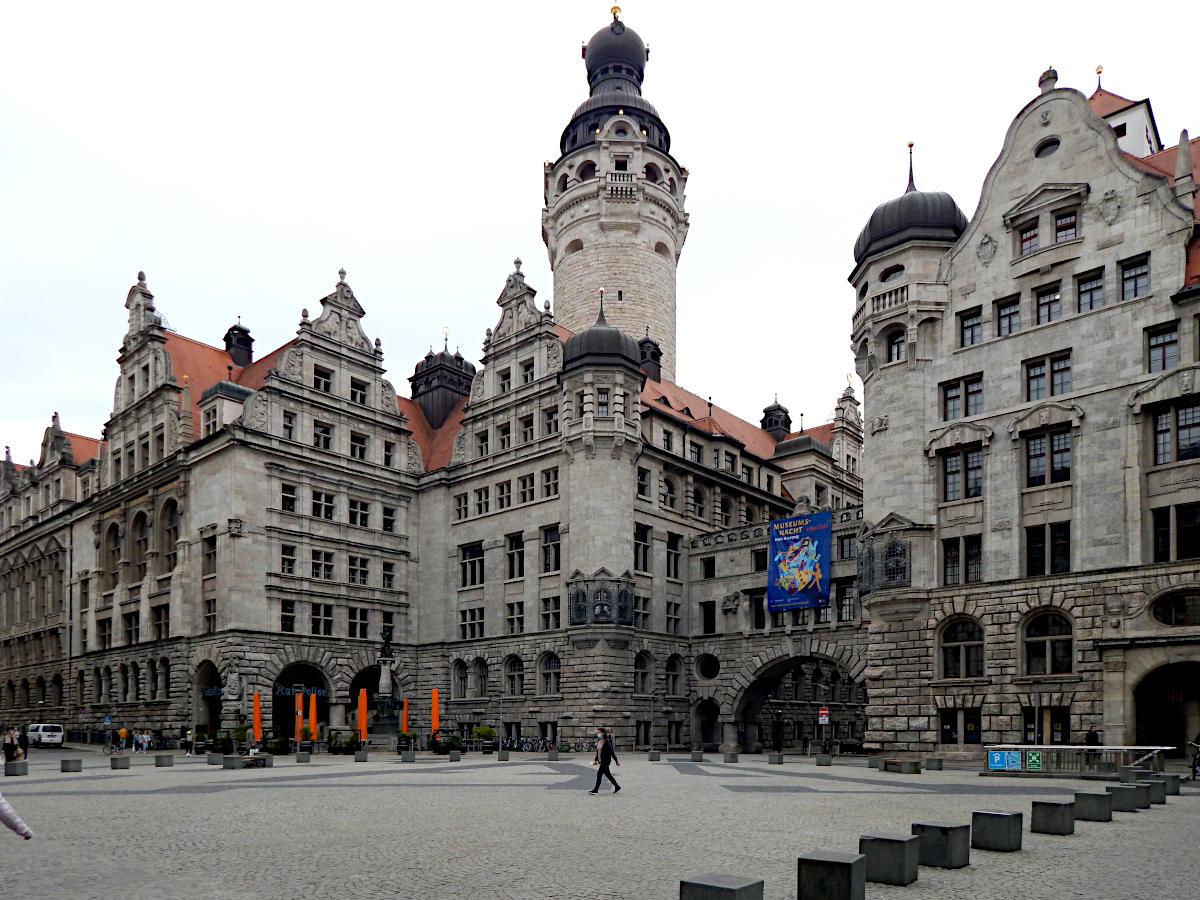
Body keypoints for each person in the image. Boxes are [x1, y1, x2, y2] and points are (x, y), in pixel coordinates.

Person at [588, 727, 620, 794]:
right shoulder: (599, 741)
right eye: (598, 732)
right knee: (608, 775)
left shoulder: (607, 742)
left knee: (599, 774)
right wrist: (595, 761)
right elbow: (598, 752)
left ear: (603, 733)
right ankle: (617, 786)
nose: (598, 734)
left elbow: (611, 752)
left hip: (605, 761)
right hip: (601, 761)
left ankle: (596, 790)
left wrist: (616, 761)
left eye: (599, 732)